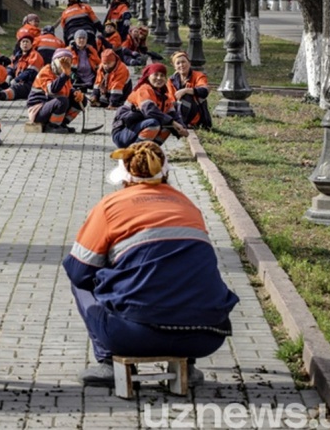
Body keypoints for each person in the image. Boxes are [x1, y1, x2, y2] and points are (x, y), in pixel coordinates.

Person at [62, 141, 239, 387]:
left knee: (80, 284)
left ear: (125, 178)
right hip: (207, 336)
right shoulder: (189, 206)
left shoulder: (110, 206)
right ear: (166, 174)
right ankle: (187, 365)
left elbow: (79, 271)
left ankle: (108, 362)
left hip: (134, 336)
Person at [111, 63, 187, 148]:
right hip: (123, 132)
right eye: (156, 74)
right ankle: (136, 151)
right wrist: (173, 122)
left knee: (168, 126)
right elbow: (150, 111)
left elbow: (173, 114)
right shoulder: (144, 89)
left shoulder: (164, 96)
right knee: (154, 123)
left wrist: (182, 128)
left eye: (162, 75)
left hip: (137, 129)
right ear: (148, 77)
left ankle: (150, 150)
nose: (159, 78)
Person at [25, 48, 85, 133]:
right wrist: (64, 75)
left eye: (68, 61)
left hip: (50, 105)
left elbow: (68, 88)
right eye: (62, 61)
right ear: (55, 61)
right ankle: (52, 126)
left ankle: (62, 123)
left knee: (81, 100)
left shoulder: (65, 73)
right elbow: (52, 90)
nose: (64, 64)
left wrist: (75, 92)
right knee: (62, 101)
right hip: (38, 110)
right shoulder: (46, 71)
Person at [169, 51, 213, 130]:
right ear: (174, 67)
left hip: (197, 115)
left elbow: (204, 91)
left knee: (186, 96)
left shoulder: (198, 76)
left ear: (189, 63)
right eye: (178, 63)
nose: (181, 65)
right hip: (177, 112)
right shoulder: (171, 80)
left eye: (183, 62)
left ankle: (186, 123)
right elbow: (170, 100)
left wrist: (186, 90)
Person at [0, 32, 44, 102]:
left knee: (16, 88)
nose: (25, 44)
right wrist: (9, 75)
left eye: (27, 42)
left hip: (31, 84)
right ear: (20, 44)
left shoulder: (35, 56)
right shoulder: (17, 56)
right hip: (18, 81)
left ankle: (1, 95)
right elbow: (11, 67)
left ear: (31, 44)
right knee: (1, 82)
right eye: (23, 42)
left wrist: (16, 80)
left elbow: (30, 72)